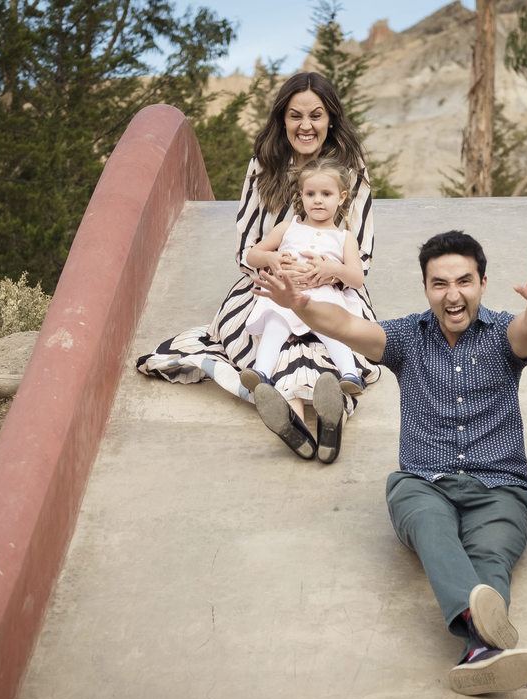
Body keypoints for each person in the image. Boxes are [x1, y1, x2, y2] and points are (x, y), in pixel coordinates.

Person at [253, 230, 527, 696]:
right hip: (423, 482)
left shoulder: (503, 335)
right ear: (425, 288)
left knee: (491, 559)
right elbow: (345, 325)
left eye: (464, 281)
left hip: (500, 488)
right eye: (440, 283)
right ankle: (483, 632)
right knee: (431, 528)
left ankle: (480, 654)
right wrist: (300, 305)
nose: (453, 294)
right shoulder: (407, 337)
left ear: (483, 283)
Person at [135, 72, 380, 457]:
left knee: (330, 344)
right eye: (295, 116)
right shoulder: (263, 165)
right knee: (267, 339)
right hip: (268, 282)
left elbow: (361, 254)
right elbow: (246, 248)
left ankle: (330, 419)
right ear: (282, 119)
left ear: (331, 119)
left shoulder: (351, 168)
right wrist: (275, 265)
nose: (305, 125)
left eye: (316, 115)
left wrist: (328, 272)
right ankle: (296, 424)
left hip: (335, 286)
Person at [241, 158, 367, 462]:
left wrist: (333, 269)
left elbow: (357, 278)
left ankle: (349, 374)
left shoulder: (344, 237)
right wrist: (272, 259)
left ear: (342, 197)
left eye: (326, 194)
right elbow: (253, 255)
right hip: (288, 292)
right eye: (310, 194)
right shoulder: (288, 227)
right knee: (275, 321)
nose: (318, 200)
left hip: (323, 295)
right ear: (301, 195)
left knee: (332, 329)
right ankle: (261, 371)